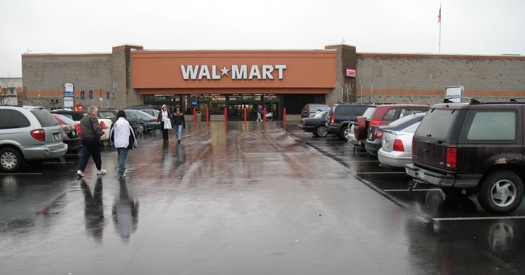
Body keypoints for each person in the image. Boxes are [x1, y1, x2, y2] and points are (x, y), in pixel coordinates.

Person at [77, 106, 106, 178]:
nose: (96, 113)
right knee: (96, 155)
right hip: (93, 139)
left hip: (84, 139)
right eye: (96, 111)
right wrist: (102, 133)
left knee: (85, 155)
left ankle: (80, 170)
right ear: (93, 112)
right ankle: (99, 169)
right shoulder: (93, 118)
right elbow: (96, 127)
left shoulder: (83, 119)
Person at [110, 110, 137, 178]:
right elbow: (133, 133)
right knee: (122, 157)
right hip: (125, 143)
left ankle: (123, 169)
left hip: (117, 143)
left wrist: (111, 141)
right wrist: (135, 142)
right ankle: (121, 172)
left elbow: (111, 134)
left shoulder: (115, 123)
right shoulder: (127, 123)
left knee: (120, 157)